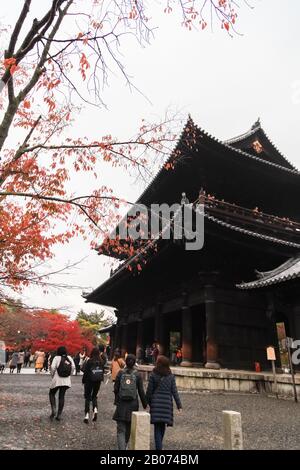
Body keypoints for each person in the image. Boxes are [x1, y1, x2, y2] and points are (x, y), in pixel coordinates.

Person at [146, 355, 182, 451]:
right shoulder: (170, 376)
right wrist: (179, 405)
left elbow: (149, 391)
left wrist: (147, 403)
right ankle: (159, 446)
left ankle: (159, 448)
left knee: (157, 427)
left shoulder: (153, 375)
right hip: (167, 404)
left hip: (156, 404)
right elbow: (174, 391)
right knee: (162, 426)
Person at [113, 354, 147, 450]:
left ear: (126, 362)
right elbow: (141, 391)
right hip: (133, 404)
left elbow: (115, 389)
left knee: (120, 430)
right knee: (128, 428)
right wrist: (145, 404)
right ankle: (125, 446)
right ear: (134, 362)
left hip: (121, 404)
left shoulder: (120, 373)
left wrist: (116, 400)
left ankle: (122, 449)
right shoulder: (137, 375)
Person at [49, 346, 75, 421]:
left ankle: (54, 409)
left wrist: (52, 375)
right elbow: (73, 367)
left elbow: (53, 367)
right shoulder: (69, 358)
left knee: (51, 393)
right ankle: (59, 414)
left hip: (57, 379)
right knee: (62, 396)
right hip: (66, 380)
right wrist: (70, 374)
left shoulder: (56, 358)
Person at [82, 347, 106, 423]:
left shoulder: (90, 361)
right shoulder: (101, 361)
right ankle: (95, 409)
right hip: (97, 380)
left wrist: (83, 380)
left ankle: (86, 415)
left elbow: (86, 372)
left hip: (89, 380)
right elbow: (103, 371)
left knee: (87, 397)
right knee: (94, 396)